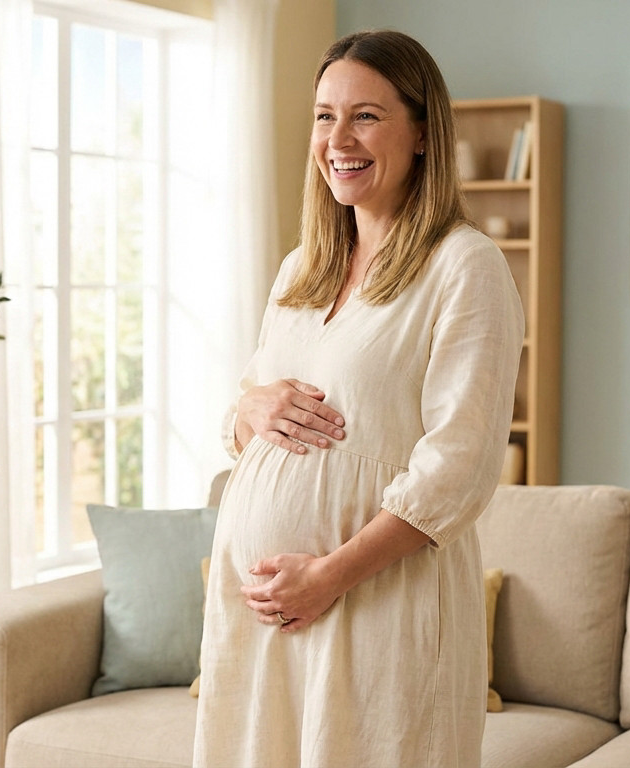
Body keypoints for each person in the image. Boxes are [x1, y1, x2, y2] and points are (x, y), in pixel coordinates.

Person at [192, 29, 524, 768]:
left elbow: (459, 468)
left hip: (378, 605)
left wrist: (327, 577)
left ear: (422, 135)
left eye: (366, 115)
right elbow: (250, 410)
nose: (338, 138)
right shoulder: (300, 270)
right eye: (323, 115)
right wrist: (244, 413)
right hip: (265, 624)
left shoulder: (464, 266)